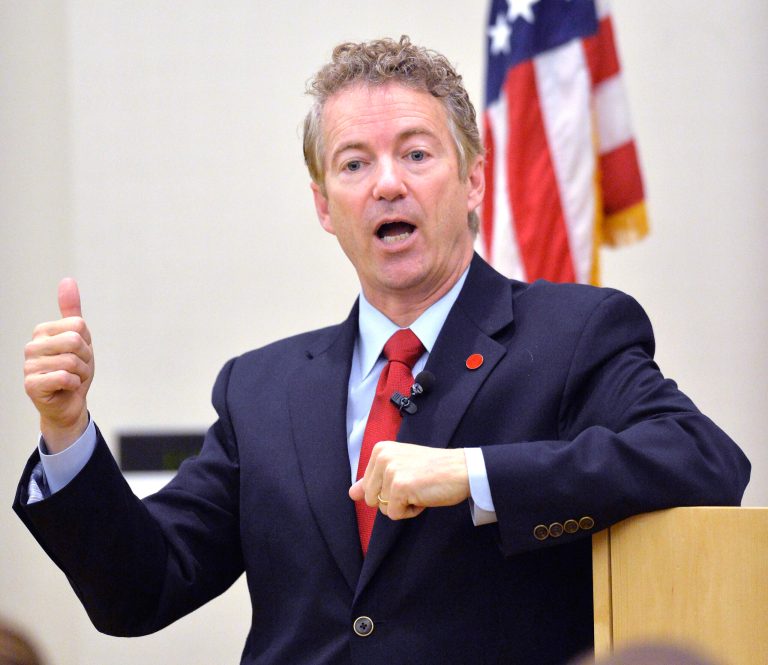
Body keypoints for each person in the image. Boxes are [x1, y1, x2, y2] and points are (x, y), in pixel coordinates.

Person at [14, 36, 750, 664]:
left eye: (417, 153)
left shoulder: (572, 335)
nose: (387, 183)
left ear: (474, 181)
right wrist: (66, 431)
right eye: (355, 163)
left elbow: (704, 459)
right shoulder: (260, 388)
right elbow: (140, 589)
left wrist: (474, 475)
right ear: (323, 206)